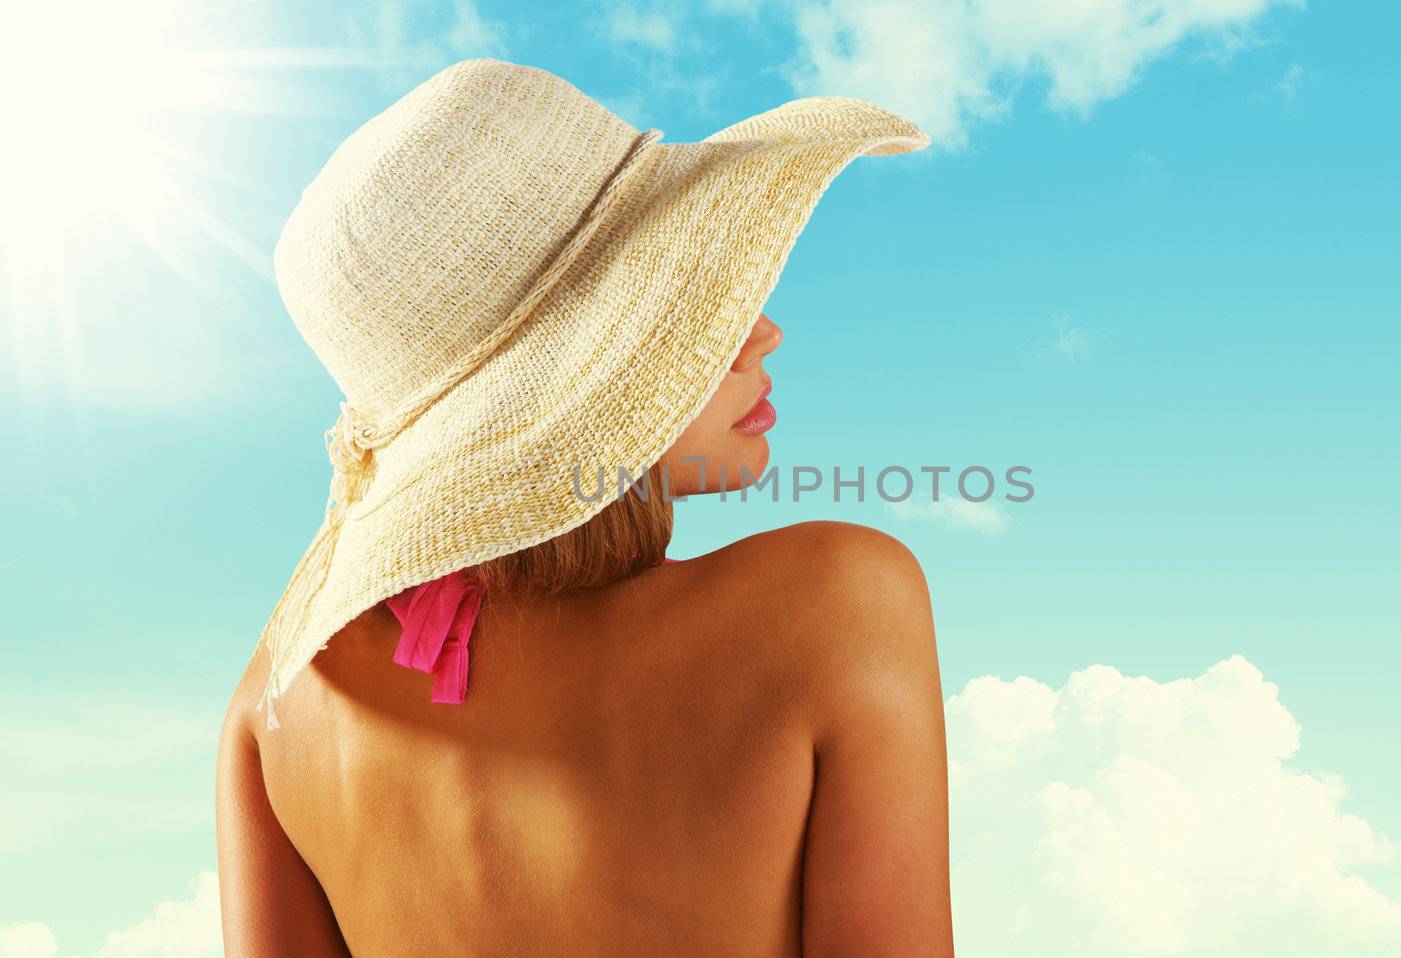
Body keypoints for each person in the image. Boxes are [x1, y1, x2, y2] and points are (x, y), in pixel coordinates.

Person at [217, 58, 952, 956]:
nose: (760, 330)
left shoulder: (281, 702)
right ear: (574, 387)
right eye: (689, 302)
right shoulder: (836, 599)